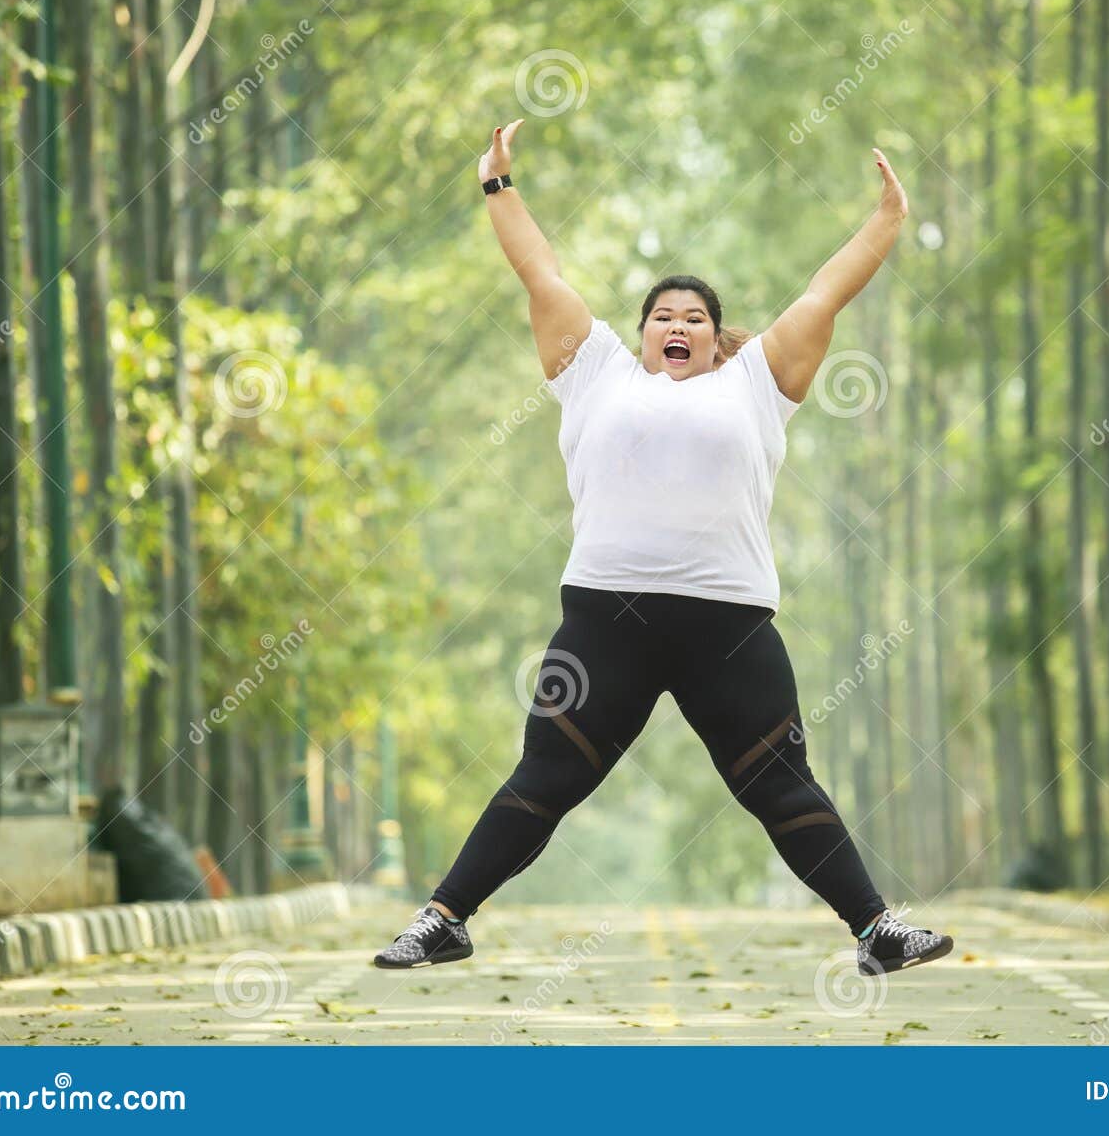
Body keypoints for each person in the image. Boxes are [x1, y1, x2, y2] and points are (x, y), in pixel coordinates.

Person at [374, 118, 953, 978]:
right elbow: (539, 269)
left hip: (731, 627)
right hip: (607, 620)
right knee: (545, 779)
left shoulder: (757, 384)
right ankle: (441, 918)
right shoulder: (594, 370)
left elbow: (824, 295)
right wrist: (497, 183)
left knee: (782, 786)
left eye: (694, 318)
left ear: (718, 340)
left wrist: (886, 222)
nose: (674, 326)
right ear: (641, 333)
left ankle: (877, 931)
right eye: (661, 317)